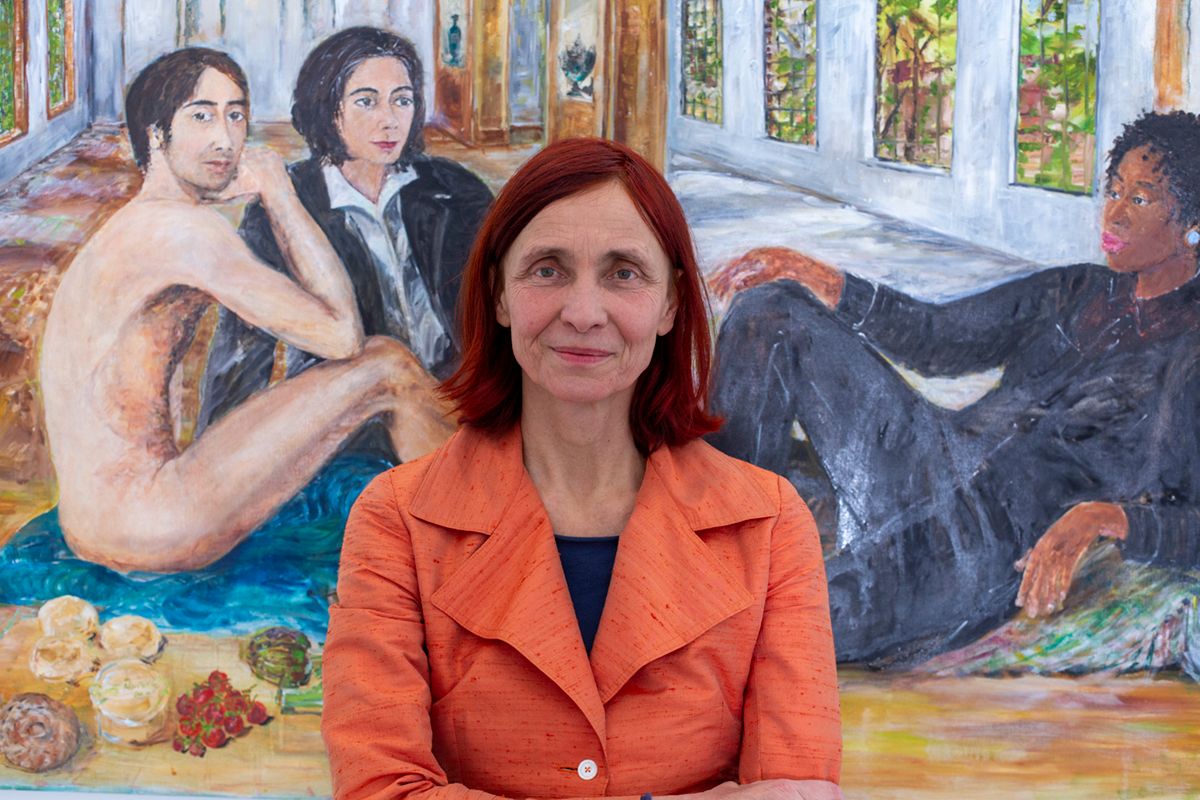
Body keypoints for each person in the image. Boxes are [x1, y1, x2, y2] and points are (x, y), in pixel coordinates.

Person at [321, 138, 843, 800]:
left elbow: (801, 791)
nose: (584, 313)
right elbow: (380, 791)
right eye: (548, 270)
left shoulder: (768, 525)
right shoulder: (396, 521)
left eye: (624, 273)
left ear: (671, 303)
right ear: (499, 293)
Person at [707, 111, 1200, 664]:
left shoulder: (1192, 355)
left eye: (1140, 199)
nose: (1114, 213)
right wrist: (821, 278)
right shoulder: (1077, 288)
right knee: (769, 311)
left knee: (763, 623)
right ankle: (718, 540)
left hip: (978, 546)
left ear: (1192, 222)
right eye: (1114, 191)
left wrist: (1107, 516)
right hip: (927, 453)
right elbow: (940, 338)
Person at [37, 47, 447, 573]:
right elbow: (342, 335)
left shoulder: (140, 223)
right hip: (149, 520)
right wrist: (281, 195)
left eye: (235, 116)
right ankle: (483, 519)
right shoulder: (182, 231)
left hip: (98, 519)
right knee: (387, 365)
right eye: (202, 116)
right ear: (157, 135)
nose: (226, 139)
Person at [199, 27, 493, 462]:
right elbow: (244, 349)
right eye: (366, 101)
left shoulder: (454, 190)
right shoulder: (288, 203)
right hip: (355, 423)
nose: (389, 120)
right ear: (328, 109)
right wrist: (218, 455)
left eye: (402, 100)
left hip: (459, 403)